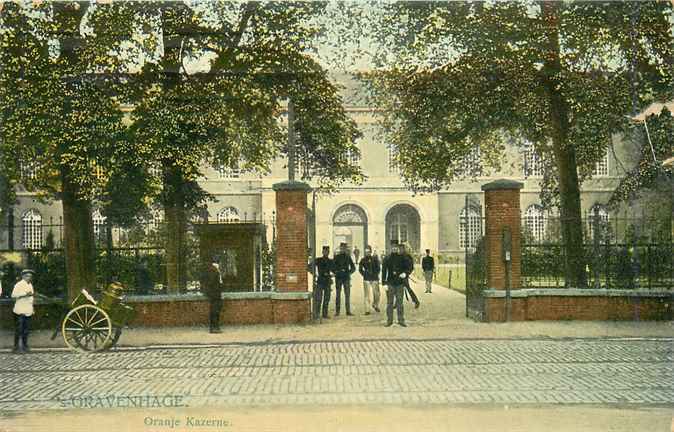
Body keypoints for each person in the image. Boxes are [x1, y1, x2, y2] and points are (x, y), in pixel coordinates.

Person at [381, 241, 412, 327]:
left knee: (400, 303)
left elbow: (409, 267)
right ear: (390, 248)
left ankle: (401, 320)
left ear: (397, 248)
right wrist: (384, 283)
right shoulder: (387, 258)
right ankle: (389, 320)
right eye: (392, 247)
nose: (394, 248)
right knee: (390, 303)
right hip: (390, 283)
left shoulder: (402, 258)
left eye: (396, 247)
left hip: (399, 283)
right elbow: (383, 271)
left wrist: (405, 273)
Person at [12, 269, 35, 353]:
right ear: (23, 276)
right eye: (27, 276)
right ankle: (16, 347)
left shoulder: (30, 285)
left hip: (28, 310)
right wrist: (24, 294)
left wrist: (32, 308)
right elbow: (13, 295)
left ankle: (25, 346)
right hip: (20, 310)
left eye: (30, 276)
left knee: (26, 330)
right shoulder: (18, 285)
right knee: (19, 330)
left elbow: (31, 297)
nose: (29, 278)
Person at [201, 255, 224, 333]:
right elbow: (212, 282)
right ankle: (214, 327)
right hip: (215, 293)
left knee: (215, 310)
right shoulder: (214, 270)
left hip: (214, 293)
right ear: (218, 262)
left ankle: (214, 327)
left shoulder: (213, 269)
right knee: (215, 311)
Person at [333, 242, 356, 316]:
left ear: (346, 249)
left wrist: (349, 273)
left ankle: (348, 311)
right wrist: (336, 272)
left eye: (344, 248)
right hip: (338, 278)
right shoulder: (336, 257)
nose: (343, 249)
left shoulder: (348, 257)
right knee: (338, 295)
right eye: (342, 248)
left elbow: (353, 267)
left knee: (347, 295)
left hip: (346, 278)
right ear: (340, 248)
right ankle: (337, 311)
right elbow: (332, 267)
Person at [313, 246, 335, 320]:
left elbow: (334, 270)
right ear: (322, 252)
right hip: (320, 281)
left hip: (327, 281)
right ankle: (317, 314)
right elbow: (310, 266)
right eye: (325, 251)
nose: (326, 253)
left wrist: (333, 274)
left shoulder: (330, 261)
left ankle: (324, 314)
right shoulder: (318, 260)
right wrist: (314, 274)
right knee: (318, 298)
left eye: (327, 251)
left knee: (326, 299)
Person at [358, 245, 381, 314]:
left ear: (371, 251)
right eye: (366, 252)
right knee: (367, 295)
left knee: (377, 294)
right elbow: (360, 269)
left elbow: (378, 268)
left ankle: (375, 304)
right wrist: (364, 274)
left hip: (374, 278)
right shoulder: (362, 260)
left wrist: (376, 274)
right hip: (367, 279)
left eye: (368, 251)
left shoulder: (375, 259)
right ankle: (367, 310)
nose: (367, 253)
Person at [400, 243, 420, 309]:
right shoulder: (398, 256)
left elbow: (410, 267)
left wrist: (406, 273)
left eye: (402, 248)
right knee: (397, 289)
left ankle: (416, 301)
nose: (400, 250)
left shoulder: (408, 257)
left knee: (408, 288)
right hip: (398, 275)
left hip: (404, 276)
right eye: (400, 249)